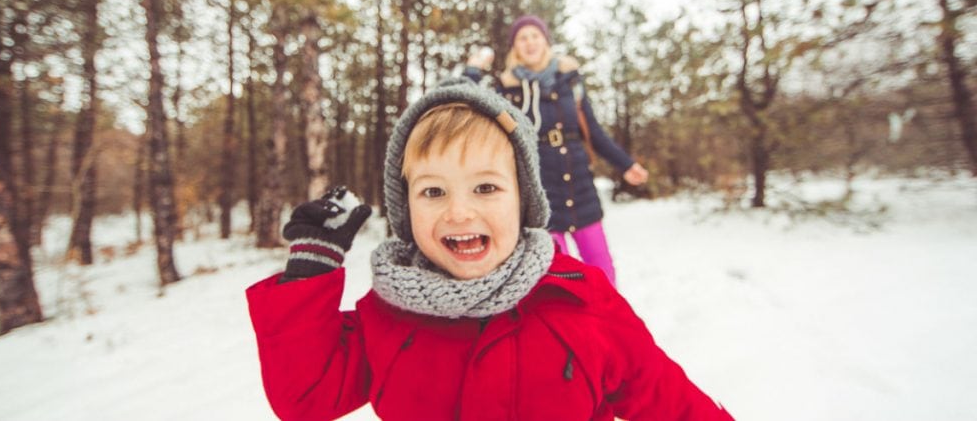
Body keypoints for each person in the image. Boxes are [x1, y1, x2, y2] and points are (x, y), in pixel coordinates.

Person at [246, 78, 733, 420]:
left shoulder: (582, 301)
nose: (459, 213)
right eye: (433, 192)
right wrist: (310, 268)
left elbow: (668, 399)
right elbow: (305, 398)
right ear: (405, 209)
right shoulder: (386, 314)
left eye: (485, 188)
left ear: (524, 199)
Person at [464, 15, 648, 287]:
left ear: (545, 41)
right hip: (541, 192)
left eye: (534, 36)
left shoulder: (569, 82)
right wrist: (472, 70)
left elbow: (593, 131)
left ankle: (605, 326)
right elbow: (468, 101)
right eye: (522, 38)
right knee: (558, 277)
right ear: (515, 47)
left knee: (603, 272)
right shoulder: (507, 89)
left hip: (580, 186)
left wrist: (625, 164)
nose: (529, 42)